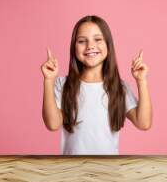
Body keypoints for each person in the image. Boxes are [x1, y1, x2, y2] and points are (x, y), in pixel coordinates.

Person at [41, 15, 152, 155]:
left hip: (108, 172)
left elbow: (143, 123)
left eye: (98, 39)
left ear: (108, 44)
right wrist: (48, 80)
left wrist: (141, 81)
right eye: (82, 41)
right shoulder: (63, 85)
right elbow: (52, 124)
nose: (90, 46)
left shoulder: (119, 88)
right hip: (72, 173)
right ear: (74, 47)